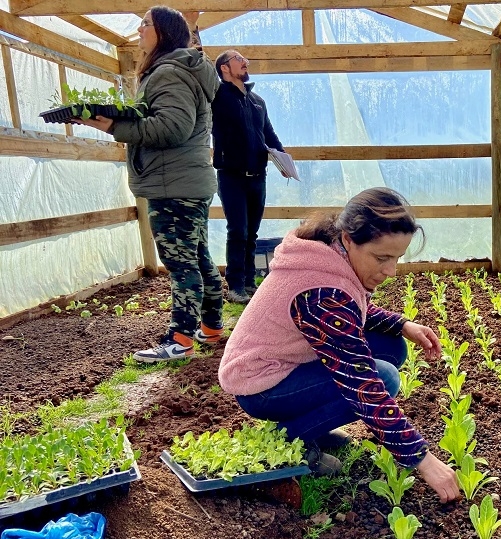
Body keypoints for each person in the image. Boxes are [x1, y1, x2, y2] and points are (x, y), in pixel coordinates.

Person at [218, 188, 461, 503]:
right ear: (348, 239)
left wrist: (402, 325)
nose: (391, 271)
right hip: (261, 384)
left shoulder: (330, 256)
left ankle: (311, 427)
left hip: (284, 365)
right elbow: (361, 381)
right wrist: (421, 459)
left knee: (392, 346)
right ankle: (290, 439)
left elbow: (351, 313)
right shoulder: (321, 291)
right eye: (382, 257)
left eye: (397, 258)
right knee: (383, 377)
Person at [77, 6, 224, 363]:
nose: (139, 29)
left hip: (172, 183)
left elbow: (171, 129)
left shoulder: (169, 73)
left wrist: (113, 127)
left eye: (146, 24)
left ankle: (180, 339)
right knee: (197, 257)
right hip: (188, 180)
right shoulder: (186, 69)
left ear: (164, 33)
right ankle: (212, 329)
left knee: (180, 263)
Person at [211, 49, 286, 304]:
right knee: (238, 231)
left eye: (245, 60)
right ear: (224, 68)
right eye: (239, 60)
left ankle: (249, 283)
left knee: (251, 232)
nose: (245, 62)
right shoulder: (218, 97)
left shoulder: (257, 101)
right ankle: (234, 285)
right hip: (231, 177)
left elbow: (269, 134)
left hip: (258, 177)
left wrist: (284, 160)